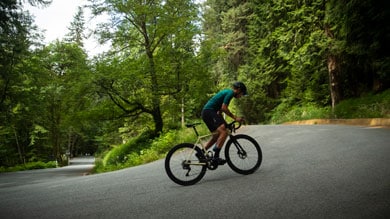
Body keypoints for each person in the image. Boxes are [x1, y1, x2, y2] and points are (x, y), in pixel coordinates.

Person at [200, 81, 247, 165]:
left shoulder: (228, 93)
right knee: (224, 132)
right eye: (242, 94)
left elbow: (219, 112)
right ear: (238, 90)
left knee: (217, 135)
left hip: (208, 112)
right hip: (209, 111)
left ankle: (201, 152)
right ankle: (216, 157)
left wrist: (226, 124)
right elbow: (224, 108)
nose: (241, 96)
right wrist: (235, 118)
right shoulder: (230, 93)